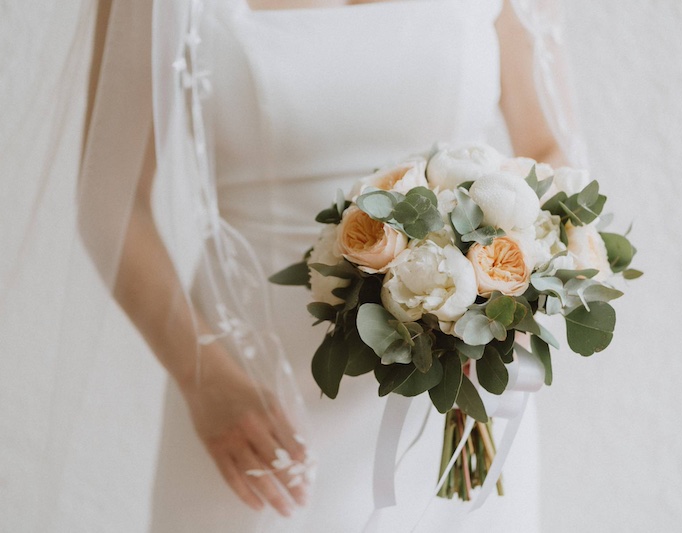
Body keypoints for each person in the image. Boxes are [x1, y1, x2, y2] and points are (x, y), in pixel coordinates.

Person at [81, 0, 580, 531]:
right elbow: (108, 203)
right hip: (252, 403)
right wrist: (202, 377)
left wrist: (513, 300)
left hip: (458, 396)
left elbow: (549, 147)